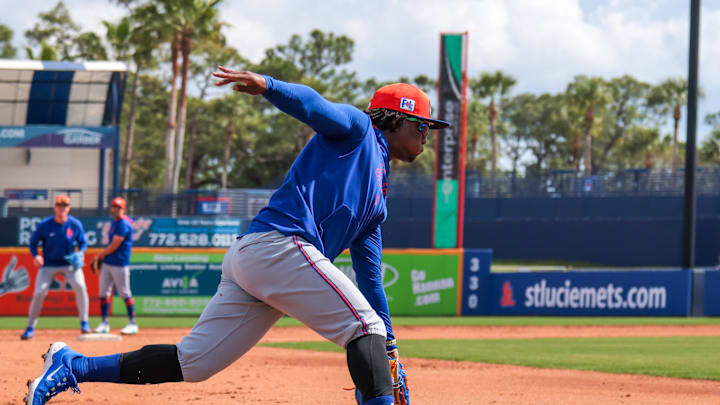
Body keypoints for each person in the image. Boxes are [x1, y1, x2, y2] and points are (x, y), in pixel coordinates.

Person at [23, 67, 448, 405]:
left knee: (195, 363)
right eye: (422, 125)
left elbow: (370, 276)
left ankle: (72, 366)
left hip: (260, 259)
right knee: (363, 328)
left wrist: (388, 346)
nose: (426, 135)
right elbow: (316, 106)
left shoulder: (378, 198)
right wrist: (268, 85)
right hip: (280, 246)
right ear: (398, 118)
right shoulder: (358, 131)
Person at [21, 194, 90, 340]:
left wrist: (81, 252)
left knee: (80, 286)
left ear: (69, 208)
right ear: (55, 207)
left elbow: (83, 242)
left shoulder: (75, 224)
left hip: (69, 263)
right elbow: (33, 243)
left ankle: (84, 323)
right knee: (39, 292)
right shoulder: (45, 225)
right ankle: (30, 327)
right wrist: (36, 256)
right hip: (49, 264)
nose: (62, 208)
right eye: (59, 205)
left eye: (65, 206)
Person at [92, 197, 137, 335]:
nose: (116, 209)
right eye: (114, 206)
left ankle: (132, 324)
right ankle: (104, 323)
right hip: (108, 263)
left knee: (125, 293)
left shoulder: (123, 224)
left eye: (119, 207)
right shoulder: (114, 222)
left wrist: (99, 255)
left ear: (123, 209)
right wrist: (102, 257)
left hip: (120, 264)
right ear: (111, 208)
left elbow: (115, 245)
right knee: (103, 294)